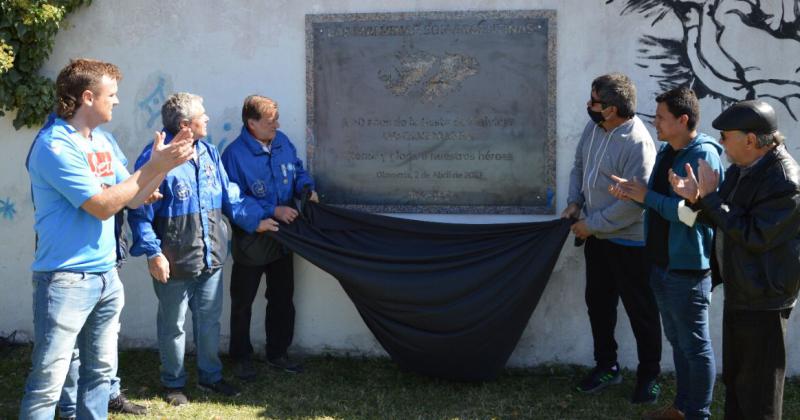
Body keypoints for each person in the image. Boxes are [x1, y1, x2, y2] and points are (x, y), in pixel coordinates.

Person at [20, 58, 195, 420]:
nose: (116, 101)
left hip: (105, 276)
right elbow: (101, 206)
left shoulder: (104, 140)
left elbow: (130, 195)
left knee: (99, 375)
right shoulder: (54, 146)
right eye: (111, 94)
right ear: (88, 97)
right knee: (48, 382)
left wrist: (165, 169)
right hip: (64, 279)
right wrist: (154, 167)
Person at [128, 92, 279, 406]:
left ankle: (211, 377)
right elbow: (139, 210)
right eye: (202, 114)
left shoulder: (209, 152)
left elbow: (230, 195)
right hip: (173, 261)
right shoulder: (156, 157)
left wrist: (257, 219)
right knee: (173, 325)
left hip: (211, 256)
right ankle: (173, 384)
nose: (207, 118)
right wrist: (153, 253)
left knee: (209, 321)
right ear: (185, 123)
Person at [670, 100, 800, 420]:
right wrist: (695, 201)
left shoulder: (785, 180)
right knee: (738, 384)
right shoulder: (741, 170)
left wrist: (710, 198)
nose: (722, 143)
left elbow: (754, 235)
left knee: (760, 394)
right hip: (741, 293)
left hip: (765, 300)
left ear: (751, 140)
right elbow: (721, 218)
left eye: (726, 136)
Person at [609, 87, 722, 419]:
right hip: (661, 265)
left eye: (661, 117)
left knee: (695, 347)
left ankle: (697, 413)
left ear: (682, 120)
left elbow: (693, 215)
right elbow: (659, 202)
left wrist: (646, 198)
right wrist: (633, 193)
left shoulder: (703, 157)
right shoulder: (668, 151)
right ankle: (681, 408)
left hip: (687, 270)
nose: (654, 122)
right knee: (678, 341)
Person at [563, 73, 662, 403]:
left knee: (641, 310)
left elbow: (635, 203)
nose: (589, 107)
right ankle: (607, 366)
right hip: (597, 239)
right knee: (599, 305)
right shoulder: (594, 128)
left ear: (613, 109)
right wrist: (575, 202)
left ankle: (650, 377)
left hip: (629, 243)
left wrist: (593, 225)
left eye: (595, 102)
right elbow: (579, 165)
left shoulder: (638, 143)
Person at [221, 95, 317, 378]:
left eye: (277, 118)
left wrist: (306, 188)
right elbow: (232, 198)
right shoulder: (234, 155)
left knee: (282, 297)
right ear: (252, 123)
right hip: (253, 237)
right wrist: (269, 211)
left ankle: (278, 353)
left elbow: (296, 169)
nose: (277, 123)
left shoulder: (282, 141)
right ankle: (240, 356)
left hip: (284, 237)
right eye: (270, 120)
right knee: (243, 302)